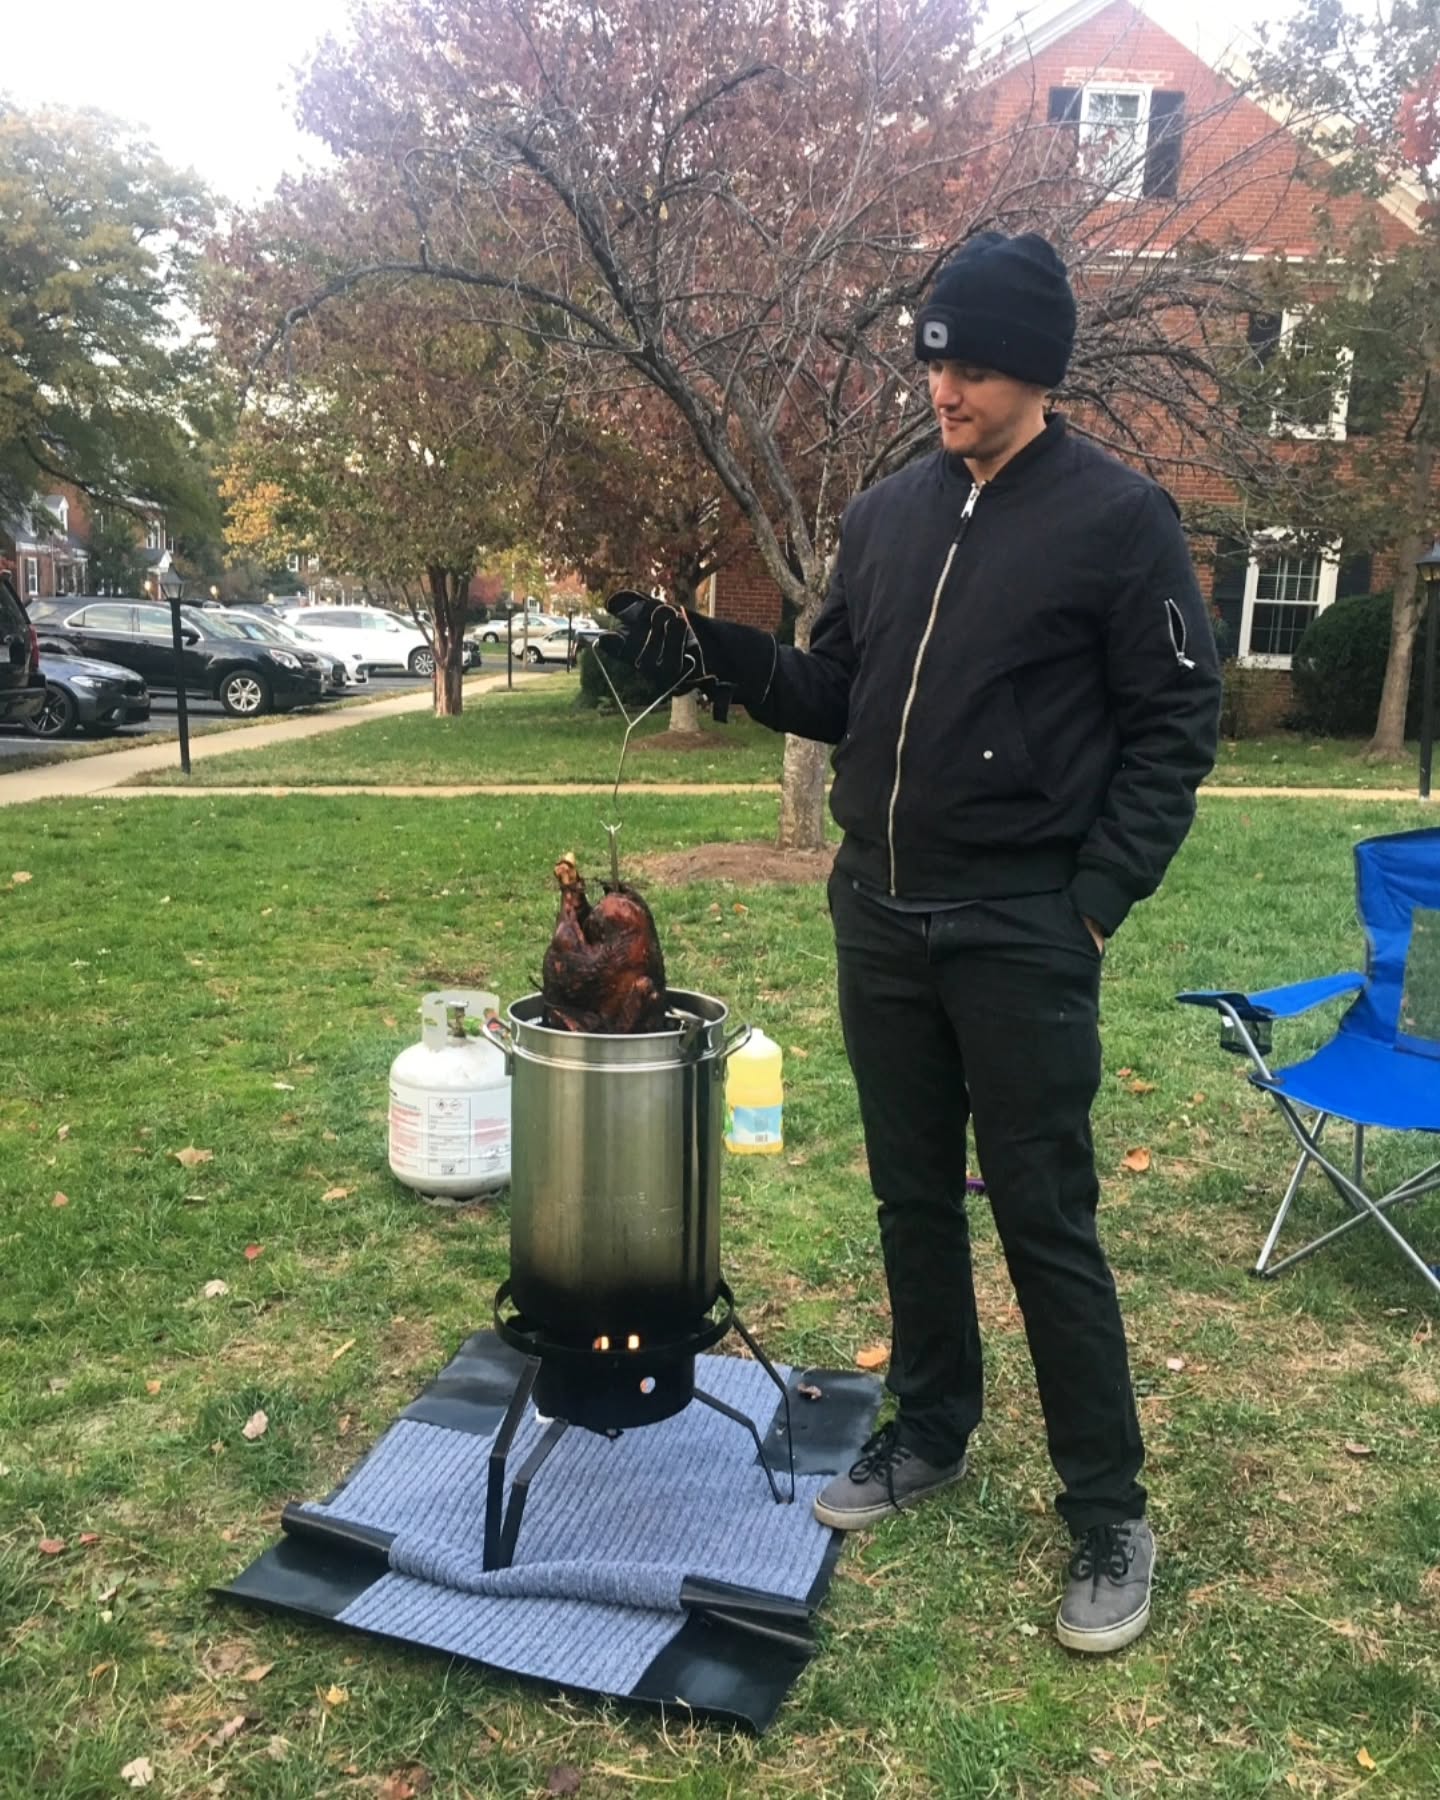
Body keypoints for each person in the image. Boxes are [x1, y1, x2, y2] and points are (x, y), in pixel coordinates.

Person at [602, 230, 1221, 1655]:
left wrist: (1095, 895)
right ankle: (931, 1429)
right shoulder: (885, 517)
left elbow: (1178, 722)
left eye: (976, 361)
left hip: (1022, 927)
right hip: (877, 909)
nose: (945, 383)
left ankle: (1108, 1508)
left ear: (1038, 369)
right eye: (934, 355)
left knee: (1044, 1213)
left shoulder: (1121, 522)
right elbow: (835, 689)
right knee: (909, 1199)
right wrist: (713, 649)